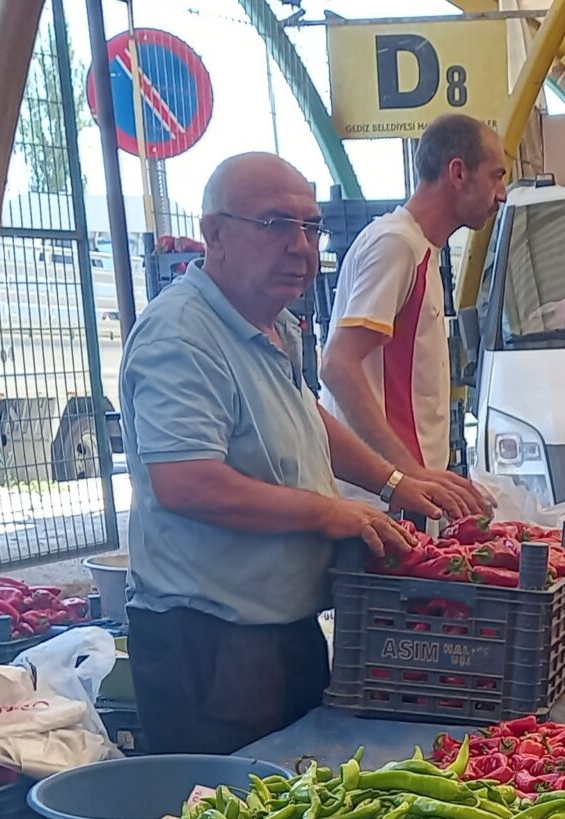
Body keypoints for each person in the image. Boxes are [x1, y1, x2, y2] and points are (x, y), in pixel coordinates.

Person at [121, 152, 489, 754]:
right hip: (211, 647)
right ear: (215, 232)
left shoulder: (275, 323)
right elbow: (185, 482)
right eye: (275, 225)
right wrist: (328, 513)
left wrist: (394, 481)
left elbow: (305, 417)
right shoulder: (181, 336)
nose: (301, 246)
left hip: (280, 630)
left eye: (311, 227)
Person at [319, 114, 507, 474]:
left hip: (402, 491)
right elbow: (338, 365)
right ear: (458, 173)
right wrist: (411, 474)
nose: (501, 194)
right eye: (495, 176)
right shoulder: (397, 244)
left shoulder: (420, 248)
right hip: (381, 498)